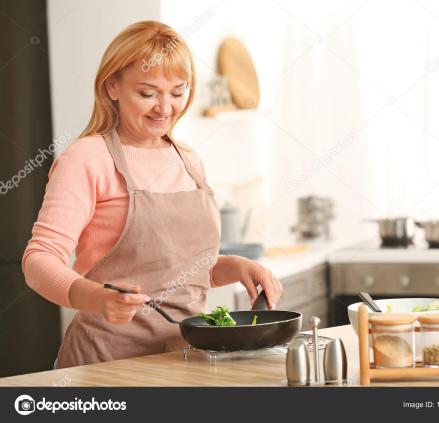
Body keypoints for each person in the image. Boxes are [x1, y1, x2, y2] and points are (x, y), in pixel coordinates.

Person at [22, 21, 282, 368]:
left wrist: (236, 266)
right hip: (106, 365)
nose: (165, 108)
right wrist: (97, 298)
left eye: (177, 92)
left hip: (186, 361)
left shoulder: (188, 159)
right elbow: (38, 261)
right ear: (111, 86)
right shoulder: (88, 158)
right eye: (148, 93)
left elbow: (179, 273)